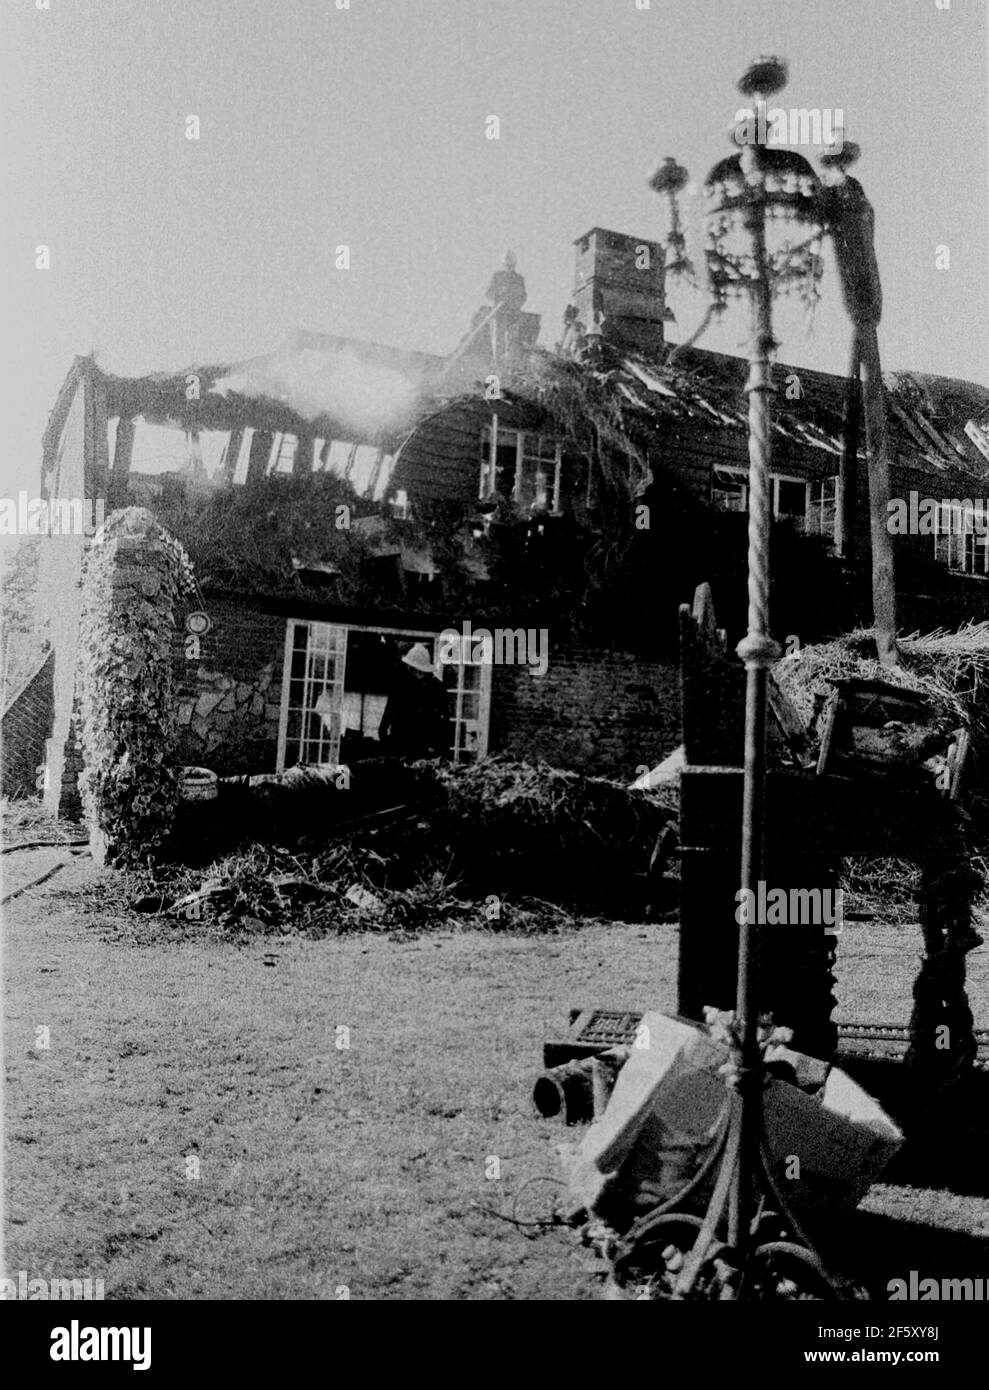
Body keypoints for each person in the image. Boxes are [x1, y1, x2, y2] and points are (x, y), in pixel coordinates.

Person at [377, 643, 449, 760]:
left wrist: (438, 747)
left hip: (425, 748)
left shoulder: (437, 689)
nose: (409, 669)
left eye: (412, 667)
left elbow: (444, 721)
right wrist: (385, 736)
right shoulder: (400, 685)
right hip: (399, 743)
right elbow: (389, 711)